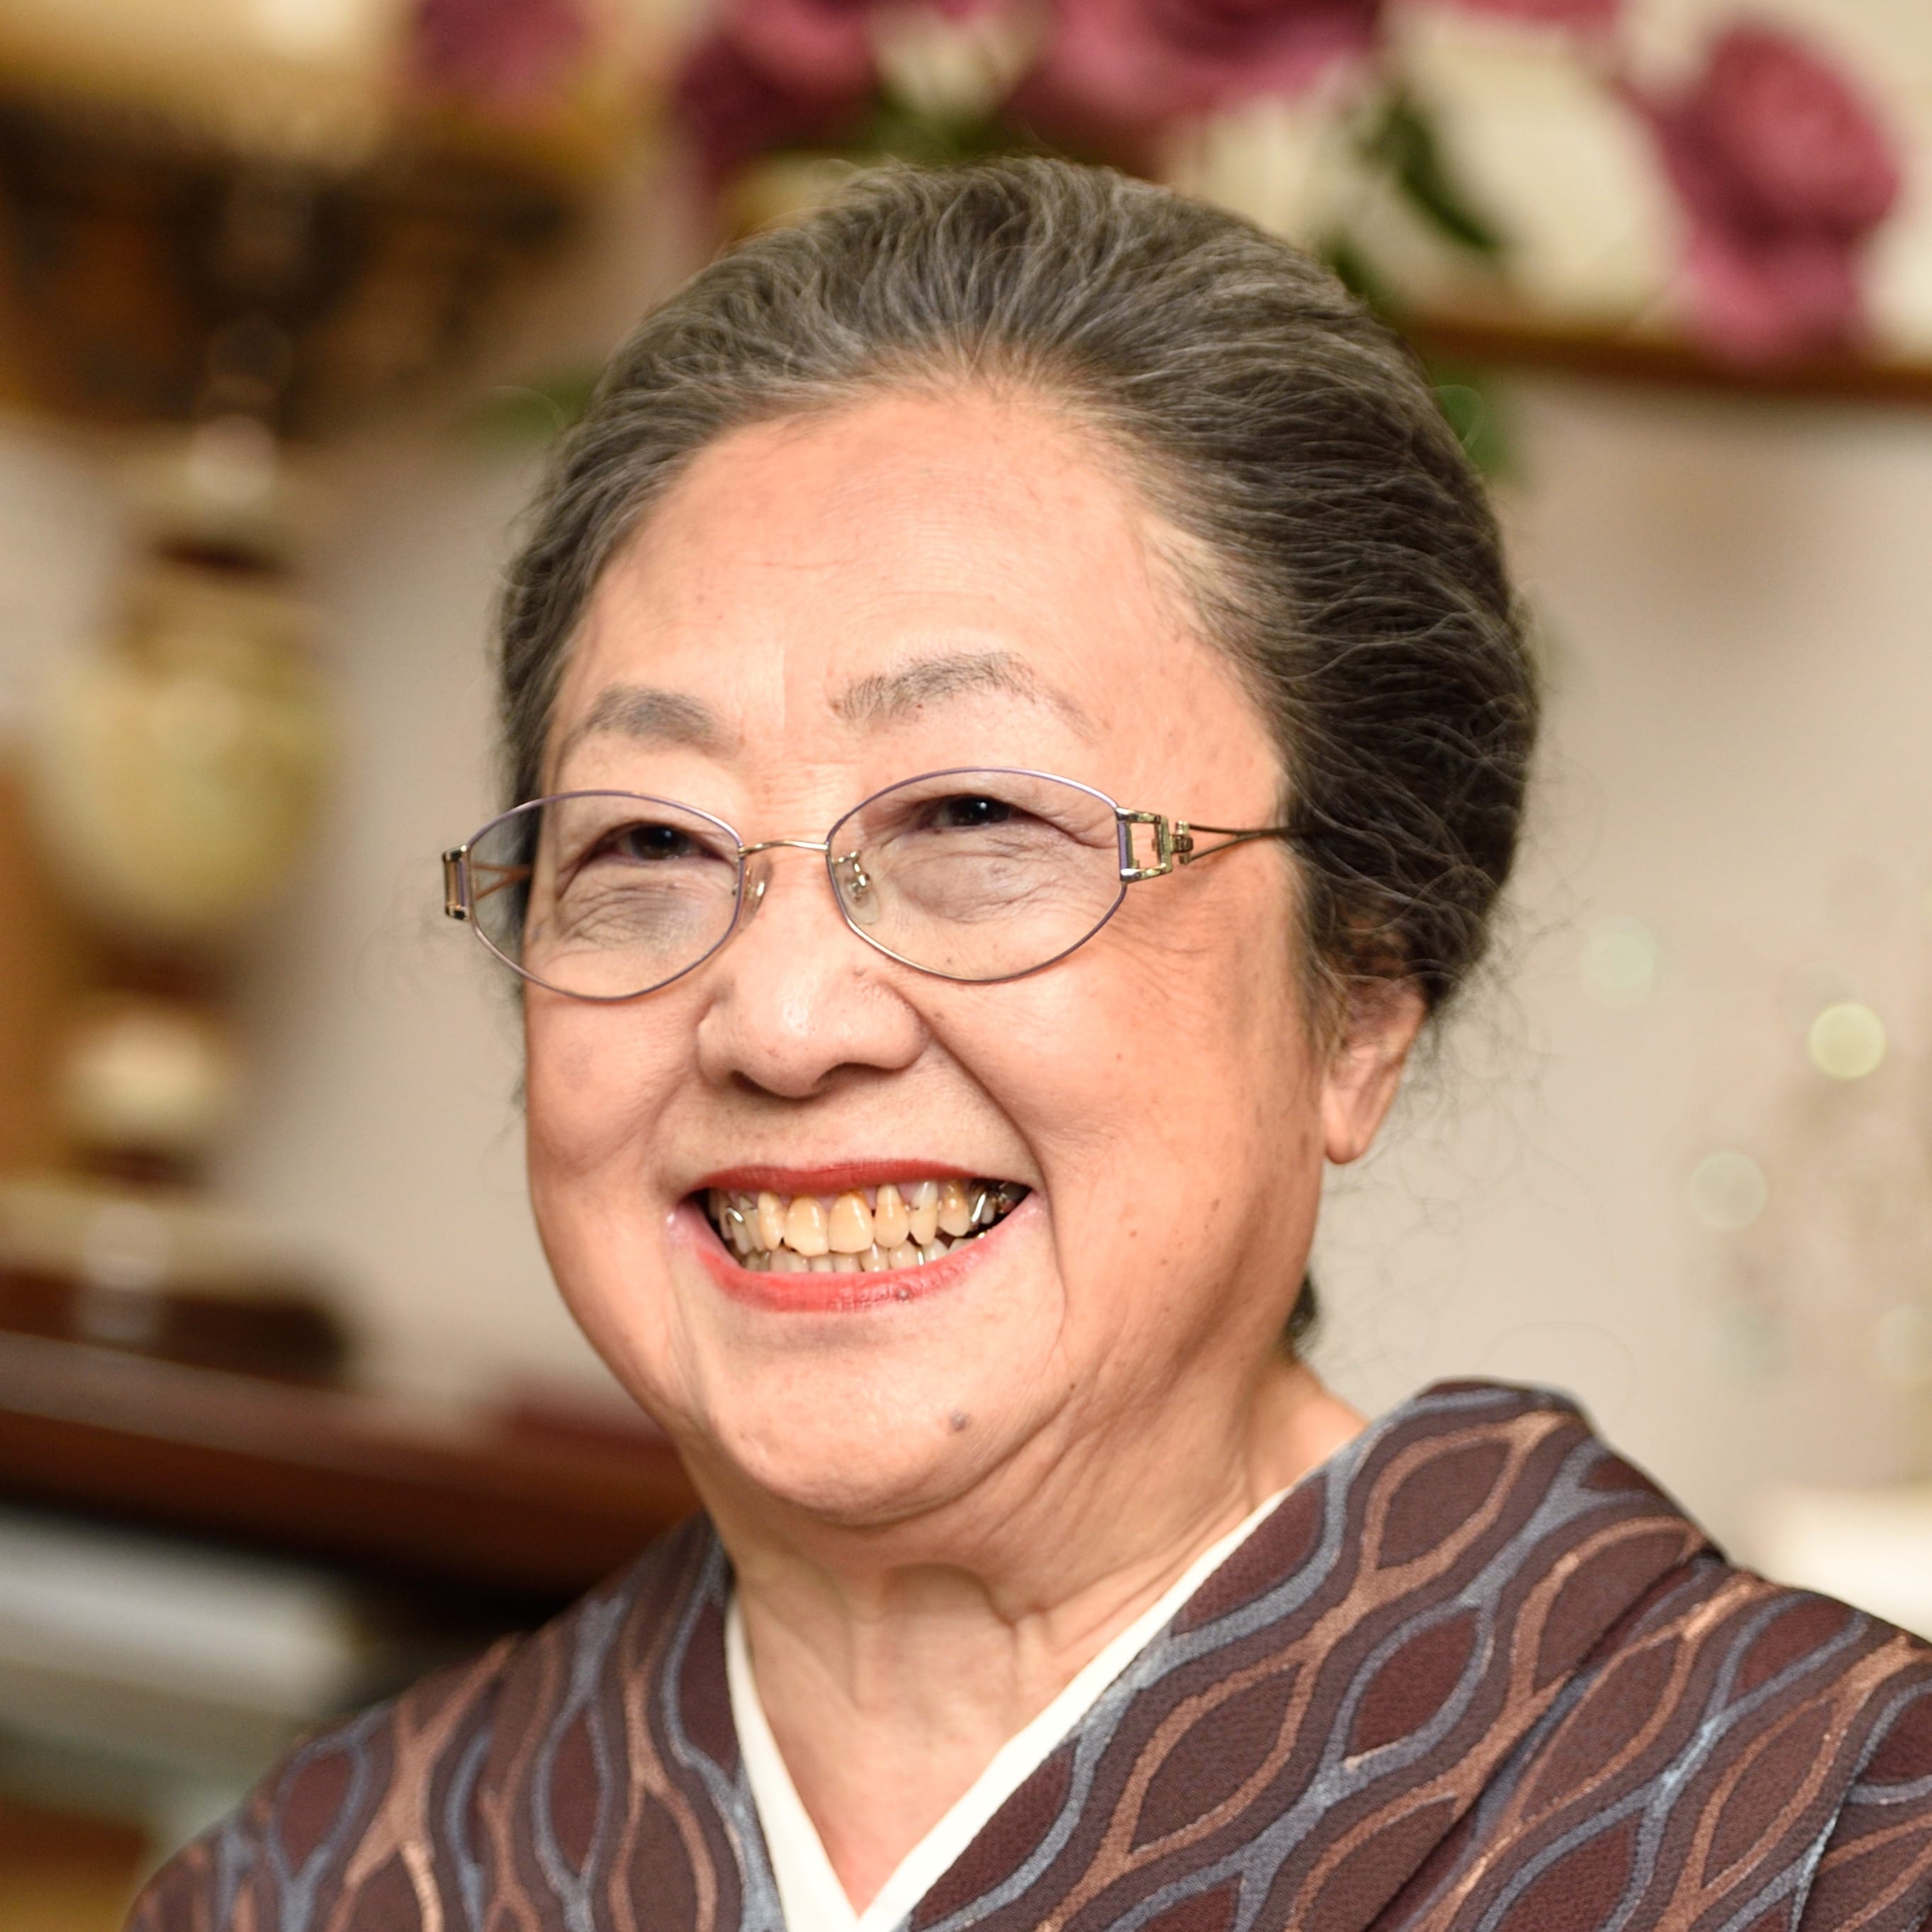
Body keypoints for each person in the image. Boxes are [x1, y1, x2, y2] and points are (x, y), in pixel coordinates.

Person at [133, 158, 1932, 1932]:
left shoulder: (1829, 1843)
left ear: (1363, 995)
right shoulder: (316, 1886)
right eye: (649, 847)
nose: (782, 1019)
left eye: (978, 819)